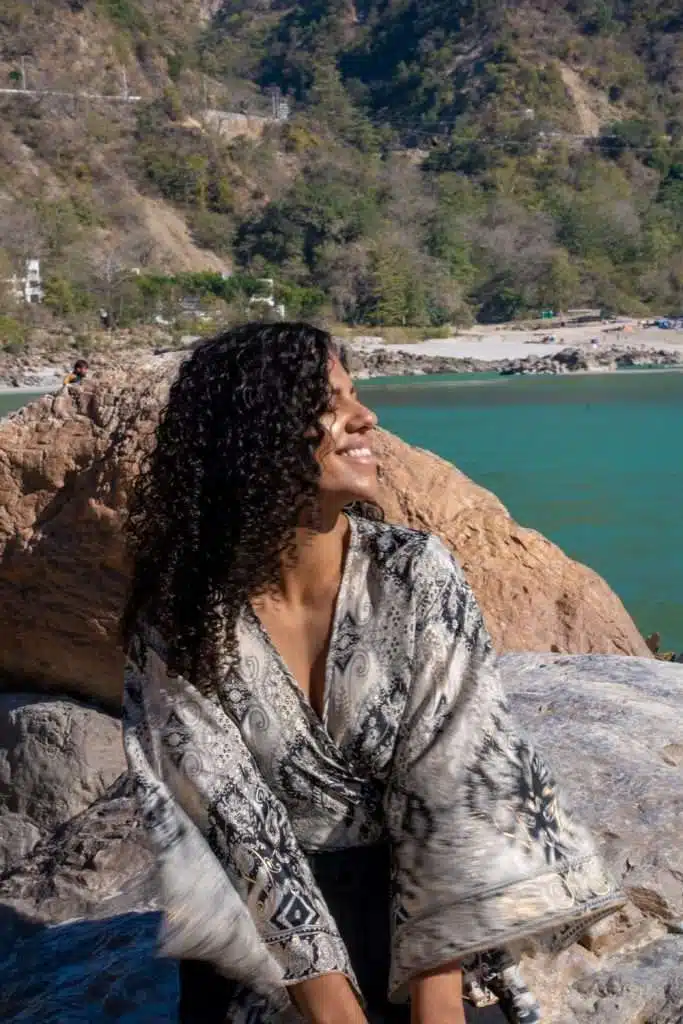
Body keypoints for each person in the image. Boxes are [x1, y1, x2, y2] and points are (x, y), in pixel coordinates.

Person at [121, 323, 624, 1024]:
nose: (367, 419)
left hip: (423, 927)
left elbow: (454, 783)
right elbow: (233, 821)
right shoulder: (181, 616)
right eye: (329, 404)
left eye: (355, 396)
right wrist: (330, 1009)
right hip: (259, 936)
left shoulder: (413, 573)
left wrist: (434, 1002)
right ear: (255, 436)